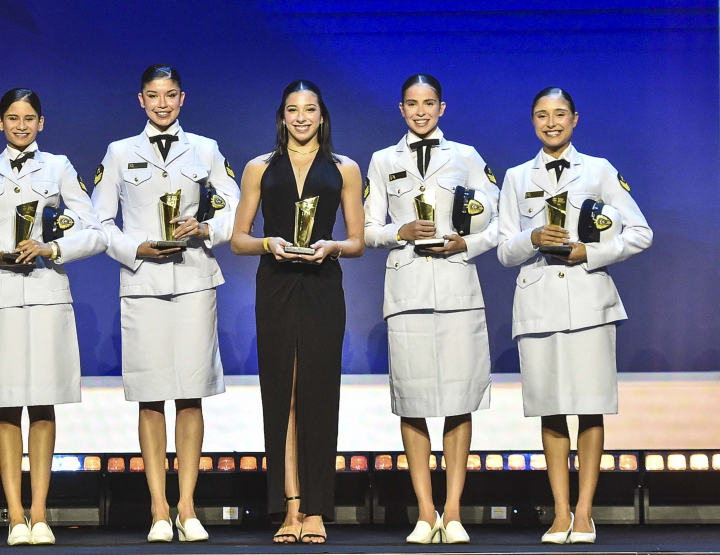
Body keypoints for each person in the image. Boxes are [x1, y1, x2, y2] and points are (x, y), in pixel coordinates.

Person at [0, 88, 107, 546]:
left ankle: (40, 514)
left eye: (29, 117)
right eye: (12, 118)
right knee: (7, 401)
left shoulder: (59, 167)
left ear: (41, 123)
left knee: (44, 402)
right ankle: (14, 515)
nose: (20, 125)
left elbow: (94, 232)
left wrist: (51, 247)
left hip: (47, 293)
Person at [90, 64, 240, 543]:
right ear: (140, 100)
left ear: (182, 98)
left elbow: (237, 206)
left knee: (191, 391)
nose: (162, 103)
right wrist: (135, 248)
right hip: (142, 281)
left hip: (195, 276)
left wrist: (206, 228)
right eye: (153, 96)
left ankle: (188, 506)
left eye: (170, 95)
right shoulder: (119, 152)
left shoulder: (206, 149)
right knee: (151, 393)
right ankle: (158, 508)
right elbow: (98, 222)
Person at [497, 87, 652, 544]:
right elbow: (505, 250)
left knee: (589, 405)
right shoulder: (514, 176)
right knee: (550, 408)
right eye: (542, 116)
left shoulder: (599, 170)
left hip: (589, 300)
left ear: (575, 119)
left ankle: (585, 512)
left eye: (560, 114)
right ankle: (560, 512)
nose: (551, 123)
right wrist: (532, 239)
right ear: (532, 122)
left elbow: (641, 232)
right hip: (538, 302)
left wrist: (591, 251)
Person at [364, 73, 498, 544]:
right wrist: (399, 232)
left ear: (443, 107)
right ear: (401, 109)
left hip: (458, 287)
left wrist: (467, 242)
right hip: (407, 292)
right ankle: (425, 512)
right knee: (414, 401)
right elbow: (366, 228)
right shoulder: (383, 160)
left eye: (429, 103)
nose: (420, 111)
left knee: (460, 402)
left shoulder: (467, 157)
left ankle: (454, 511)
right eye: (411, 104)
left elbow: (498, 224)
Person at [231, 80, 364, 544]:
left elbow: (358, 241)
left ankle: (316, 510)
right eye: (293, 109)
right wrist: (270, 244)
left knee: (319, 394)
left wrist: (333, 248)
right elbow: (239, 238)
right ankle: (289, 506)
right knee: (282, 395)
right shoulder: (258, 168)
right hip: (277, 283)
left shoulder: (345, 168)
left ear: (322, 116)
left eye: (310, 109)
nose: (301, 117)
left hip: (324, 284)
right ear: (282, 116)